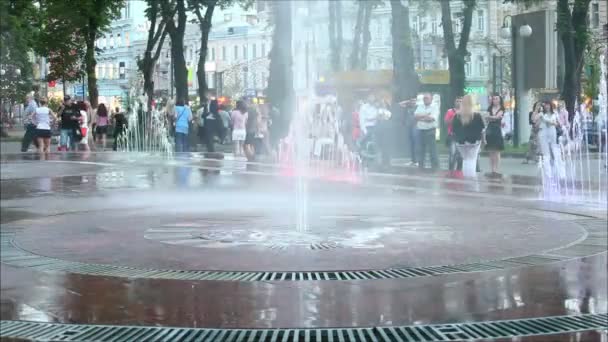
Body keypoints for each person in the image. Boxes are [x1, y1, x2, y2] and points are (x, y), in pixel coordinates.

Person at [453, 95, 485, 178]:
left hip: (460, 142)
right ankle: (471, 180)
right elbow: (481, 129)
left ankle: (466, 178)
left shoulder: (457, 116)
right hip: (474, 142)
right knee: (472, 159)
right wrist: (484, 140)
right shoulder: (476, 115)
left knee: (465, 159)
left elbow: (454, 129)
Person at [539, 101, 565, 180]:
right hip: (544, 134)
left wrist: (552, 122)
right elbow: (546, 123)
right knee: (546, 155)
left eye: (548, 105)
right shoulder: (542, 114)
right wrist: (550, 122)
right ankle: (548, 174)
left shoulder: (555, 114)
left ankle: (560, 173)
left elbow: (557, 124)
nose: (547, 107)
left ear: (550, 106)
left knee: (555, 152)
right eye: (545, 105)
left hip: (553, 134)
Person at [414, 93, 439, 170]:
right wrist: (425, 115)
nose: (425, 99)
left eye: (427, 98)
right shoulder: (420, 106)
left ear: (431, 99)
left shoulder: (435, 107)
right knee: (421, 150)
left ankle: (434, 168)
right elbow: (415, 116)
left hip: (430, 131)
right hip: (421, 130)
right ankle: (421, 167)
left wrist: (421, 117)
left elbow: (431, 119)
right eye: (424, 98)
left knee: (432, 150)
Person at [485, 94, 505, 178]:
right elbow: (487, 118)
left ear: (500, 100)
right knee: (491, 151)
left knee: (497, 151)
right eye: (493, 99)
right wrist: (491, 117)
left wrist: (490, 117)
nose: (495, 100)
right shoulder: (489, 108)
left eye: (496, 98)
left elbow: (497, 117)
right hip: (490, 129)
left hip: (497, 129)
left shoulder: (502, 109)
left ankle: (496, 170)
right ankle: (492, 170)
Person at [444, 97, 462, 175]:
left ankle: (459, 171)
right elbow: (446, 122)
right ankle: (450, 170)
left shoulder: (465, 112)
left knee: (460, 155)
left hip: (462, 136)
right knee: (453, 153)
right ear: (454, 102)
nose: (459, 102)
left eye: (460, 101)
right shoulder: (450, 111)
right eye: (457, 101)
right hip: (452, 135)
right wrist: (455, 116)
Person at [399, 98, 418, 166]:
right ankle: (413, 160)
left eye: (414, 101)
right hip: (409, 126)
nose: (413, 102)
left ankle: (416, 161)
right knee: (411, 144)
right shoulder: (408, 107)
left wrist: (413, 102)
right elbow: (400, 104)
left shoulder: (418, 107)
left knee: (416, 144)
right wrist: (407, 101)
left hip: (416, 126)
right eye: (411, 100)